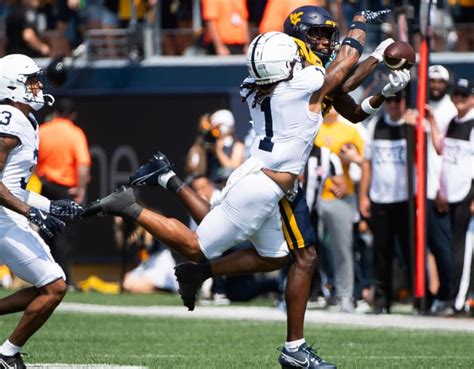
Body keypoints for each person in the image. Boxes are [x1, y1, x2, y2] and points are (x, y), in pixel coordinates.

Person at [0, 54, 83, 368]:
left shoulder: (27, 119)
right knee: (55, 286)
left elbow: (14, 185)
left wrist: (47, 205)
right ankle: (7, 353)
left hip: (6, 215)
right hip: (2, 219)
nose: (37, 86)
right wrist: (28, 211)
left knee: (48, 286)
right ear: (11, 85)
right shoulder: (8, 116)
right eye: (30, 80)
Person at [359, 92, 414, 314]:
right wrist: (363, 196)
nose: (392, 105)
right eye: (388, 100)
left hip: (407, 200)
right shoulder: (375, 125)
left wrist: (418, 127)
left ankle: (418, 299)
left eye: (397, 100)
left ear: (404, 101)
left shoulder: (412, 126)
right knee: (382, 253)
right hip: (381, 199)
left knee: (410, 252)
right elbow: (367, 164)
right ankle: (382, 301)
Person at [425, 78, 474, 314]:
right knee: (452, 247)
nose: (459, 100)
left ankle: (458, 300)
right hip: (451, 193)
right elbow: (439, 147)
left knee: (461, 249)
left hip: (467, 192)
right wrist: (432, 121)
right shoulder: (452, 122)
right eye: (456, 95)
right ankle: (453, 297)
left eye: (464, 96)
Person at [314, 107, 365, 312]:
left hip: (339, 198)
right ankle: (318, 291)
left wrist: (349, 170)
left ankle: (345, 295)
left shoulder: (349, 130)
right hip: (311, 197)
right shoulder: (311, 126)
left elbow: (363, 161)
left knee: (342, 248)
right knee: (307, 249)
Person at [37, 98, 91, 288]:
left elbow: (32, 160)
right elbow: (83, 164)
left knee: (47, 233)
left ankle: (45, 277)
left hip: (44, 188)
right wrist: (81, 189)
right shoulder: (75, 133)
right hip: (65, 190)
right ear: (73, 115)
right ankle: (64, 279)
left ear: (56, 112)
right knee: (64, 236)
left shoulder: (42, 130)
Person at [425, 65, 457, 314]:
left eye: (439, 81)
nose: (435, 85)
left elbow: (445, 153)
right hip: (420, 187)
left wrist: (441, 187)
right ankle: (429, 296)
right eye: (431, 80)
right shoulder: (421, 106)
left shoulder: (450, 111)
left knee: (442, 246)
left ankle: (449, 294)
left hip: (440, 188)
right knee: (424, 247)